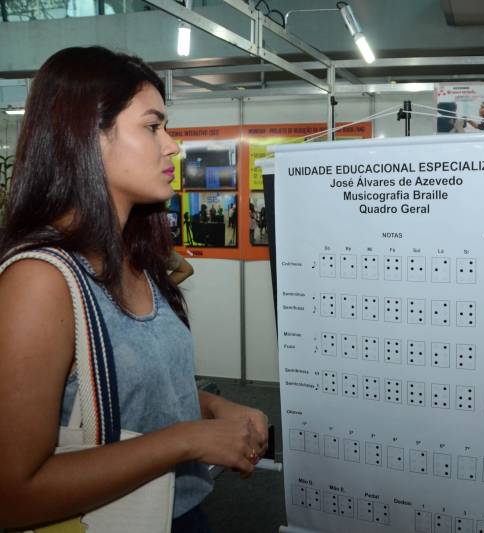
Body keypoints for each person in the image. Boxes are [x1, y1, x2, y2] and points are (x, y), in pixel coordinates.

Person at [0, 46, 269, 531]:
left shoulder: (138, 262)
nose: (172, 146)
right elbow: (14, 494)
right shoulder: (39, 282)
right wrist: (187, 440)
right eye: (152, 126)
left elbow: (137, 393)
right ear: (88, 135)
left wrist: (213, 409)